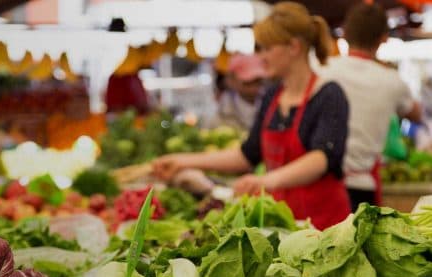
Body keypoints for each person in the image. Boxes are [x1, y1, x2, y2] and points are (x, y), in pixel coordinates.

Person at [153, 2, 351, 230]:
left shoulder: (329, 94)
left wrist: (264, 181)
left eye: (267, 48)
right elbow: (248, 155)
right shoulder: (272, 96)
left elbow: (322, 158)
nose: (262, 57)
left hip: (324, 226)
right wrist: (182, 161)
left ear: (294, 47)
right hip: (281, 224)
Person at [318, 3, 421, 211]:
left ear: (344, 34)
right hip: (361, 187)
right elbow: (416, 113)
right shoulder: (392, 81)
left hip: (319, 182)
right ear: (384, 38)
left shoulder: (323, 69)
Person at [207, 54, 267, 130]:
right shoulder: (223, 111)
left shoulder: (271, 104)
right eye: (247, 82)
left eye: (258, 81)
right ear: (231, 80)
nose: (254, 88)